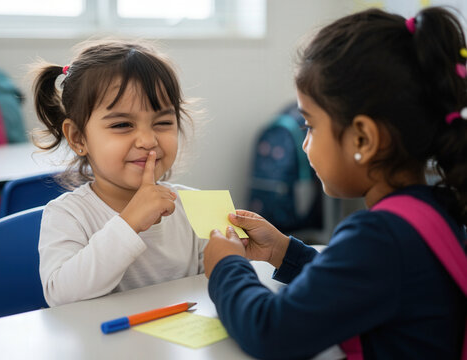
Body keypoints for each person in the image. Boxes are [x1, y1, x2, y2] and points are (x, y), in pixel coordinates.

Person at [204, 7, 467, 360]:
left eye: (309, 125)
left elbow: (271, 332)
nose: (304, 144)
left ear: (363, 139)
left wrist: (226, 268)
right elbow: (362, 285)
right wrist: (283, 252)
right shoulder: (436, 209)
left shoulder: (378, 235)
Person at [32, 40, 207, 307]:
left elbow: (228, 280)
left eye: (163, 123)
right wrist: (129, 223)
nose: (148, 140)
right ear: (79, 138)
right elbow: (60, 295)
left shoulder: (198, 205)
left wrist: (233, 254)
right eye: (123, 124)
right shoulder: (67, 215)